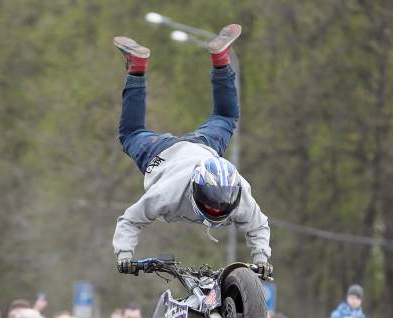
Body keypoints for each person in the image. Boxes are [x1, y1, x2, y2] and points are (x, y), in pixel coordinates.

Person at [111, 26, 272, 278]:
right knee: (131, 133)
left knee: (226, 116)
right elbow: (130, 220)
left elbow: (259, 225)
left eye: (221, 209)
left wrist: (262, 258)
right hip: (162, 153)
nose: (216, 212)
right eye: (212, 207)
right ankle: (142, 68)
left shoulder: (239, 193)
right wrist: (124, 255)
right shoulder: (167, 194)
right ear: (194, 190)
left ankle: (216, 59)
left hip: (204, 147)